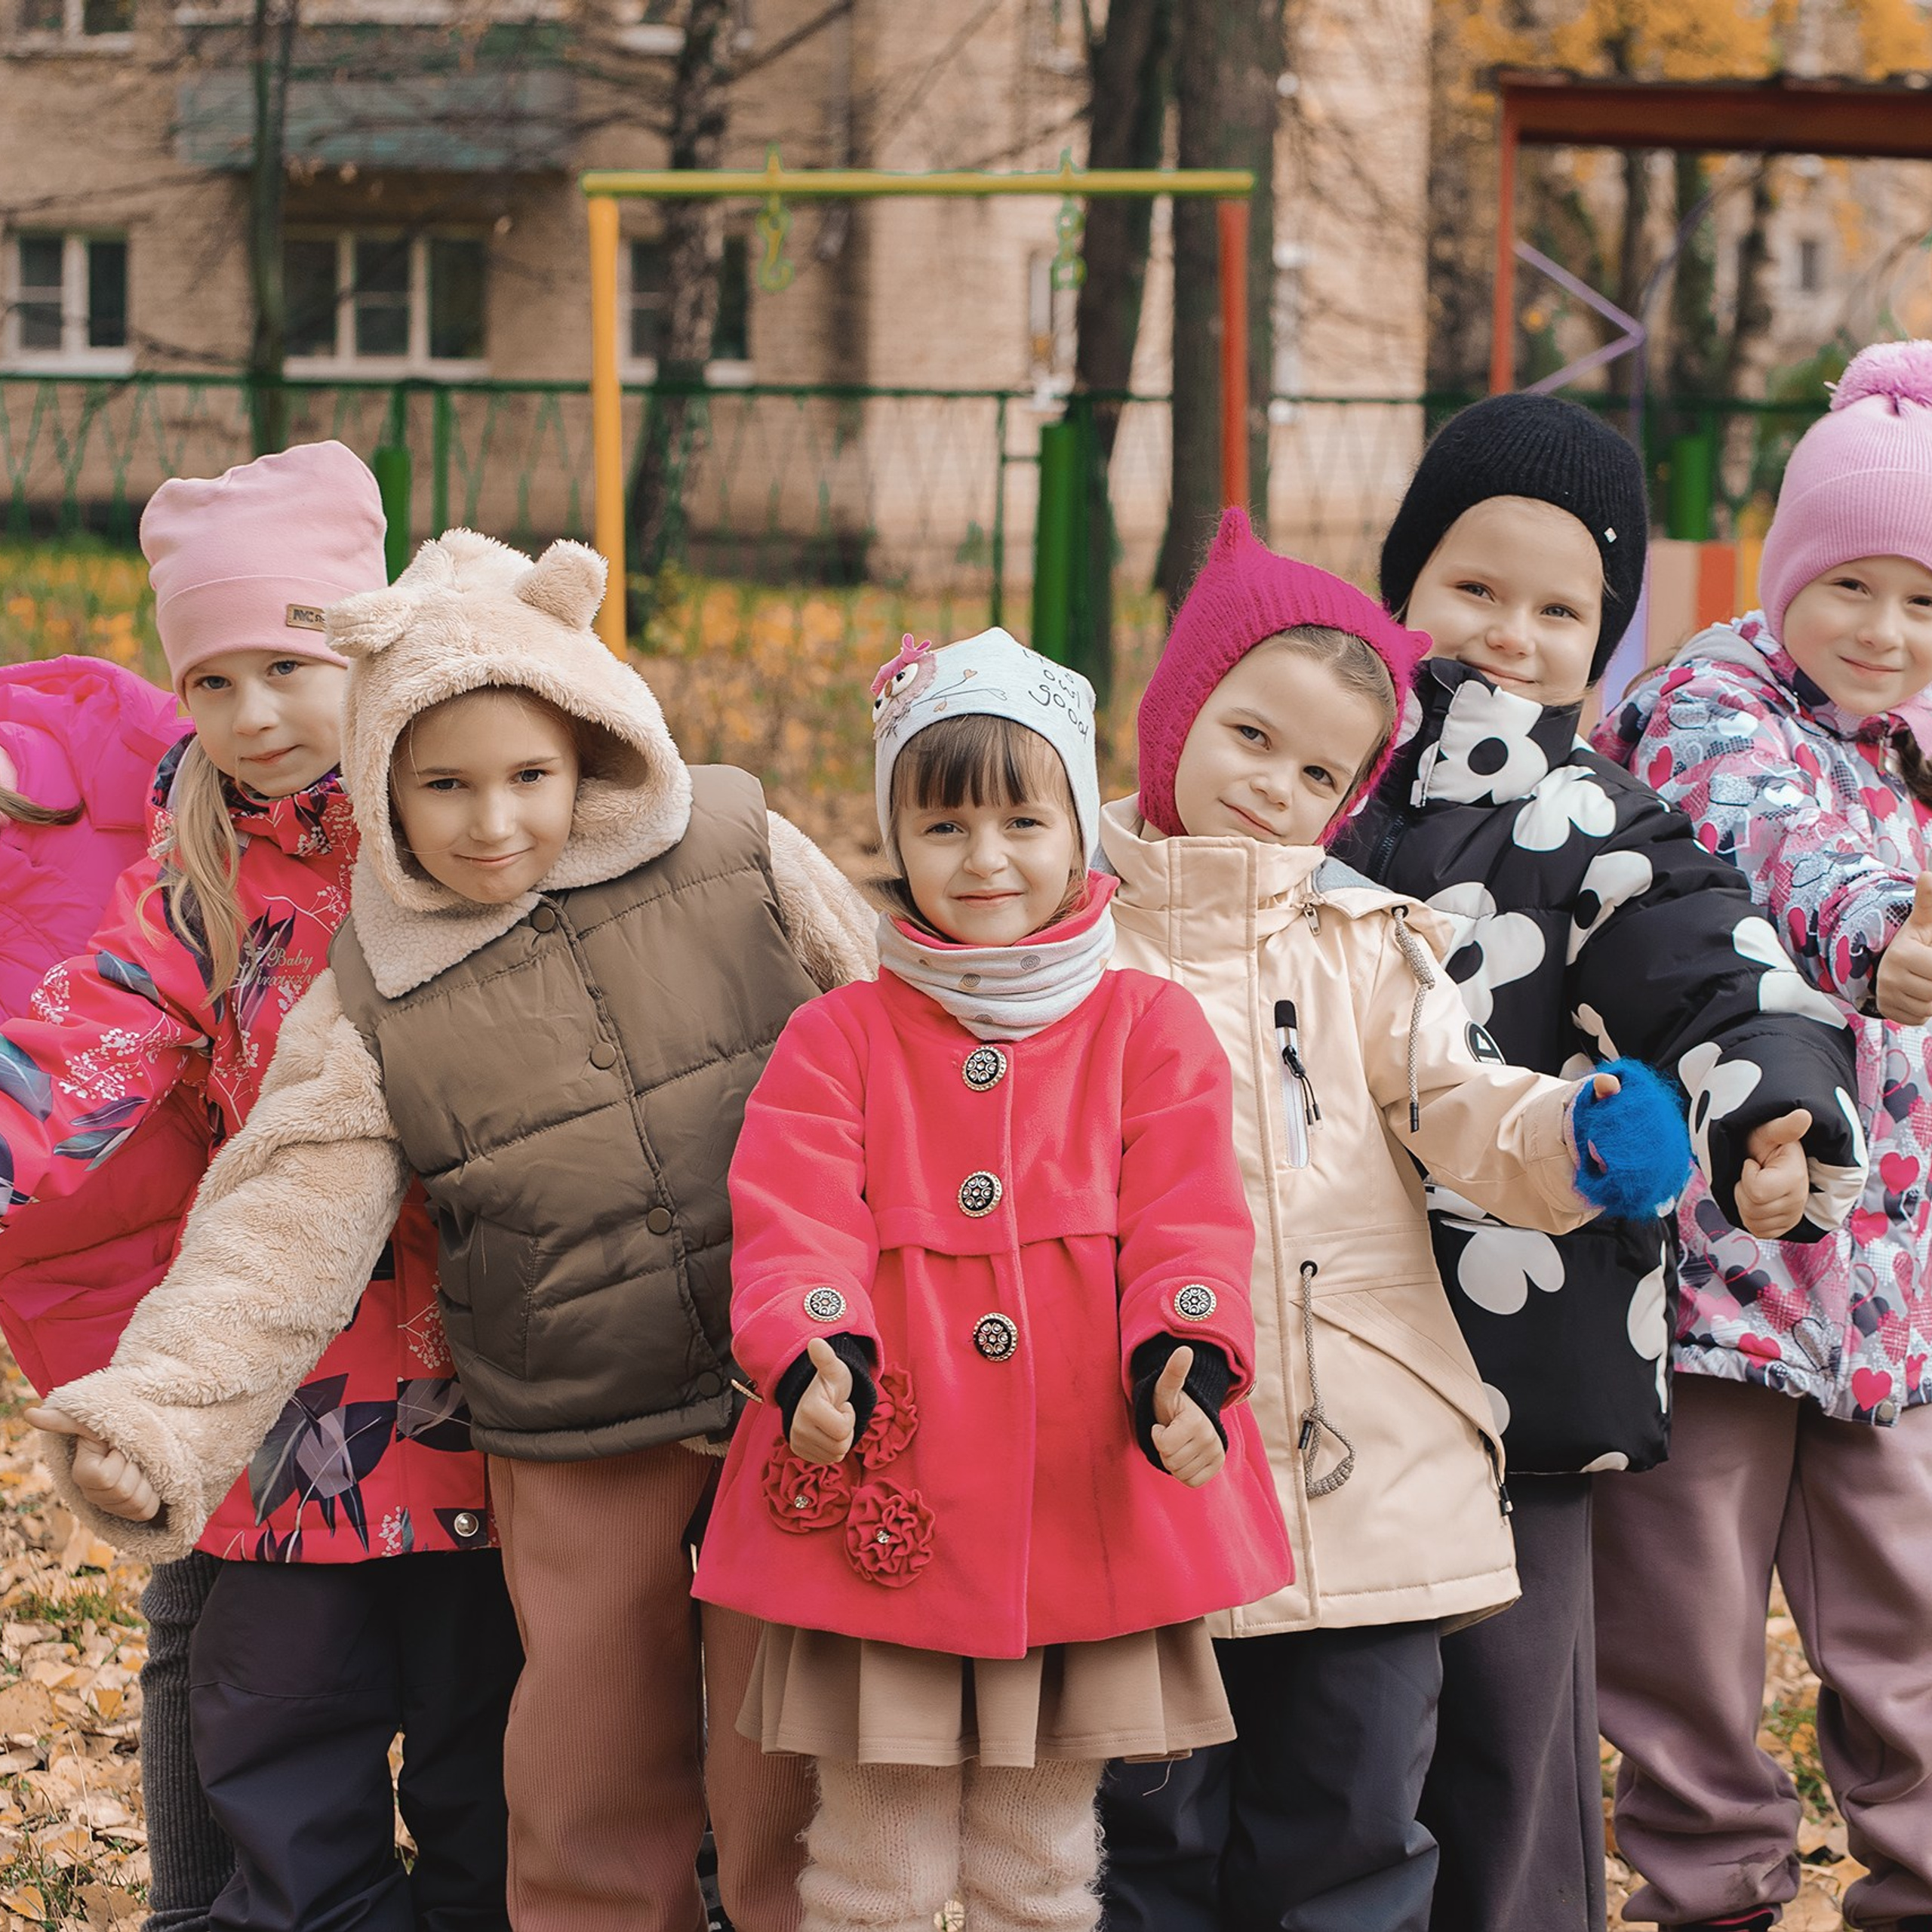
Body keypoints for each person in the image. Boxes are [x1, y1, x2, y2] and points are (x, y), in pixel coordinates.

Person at [31, 525, 878, 1932]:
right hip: (564, 1420)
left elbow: (892, 1025)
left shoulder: (733, 843)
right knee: (584, 1760)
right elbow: (279, 1217)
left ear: (593, 748)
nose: (493, 824)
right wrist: (165, 1410)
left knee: (785, 1750)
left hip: (792, 1376)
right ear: (387, 793)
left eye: (531, 778)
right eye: (444, 788)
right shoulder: (376, 985)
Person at [1096, 509, 1694, 1932]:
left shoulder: (1368, 947)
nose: (1274, 786)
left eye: (1319, 771)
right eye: (1249, 736)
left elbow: (1459, 1104)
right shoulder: (1070, 943)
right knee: (1146, 1844)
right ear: (1175, 711)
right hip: (1140, 1465)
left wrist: (1572, 1130)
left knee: (1358, 1828)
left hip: (1364, 1471)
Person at [1331, 391, 1863, 1932]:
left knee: (1510, 1738)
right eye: (1471, 587)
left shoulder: (1596, 824)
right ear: (1400, 588)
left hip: (1521, 1364)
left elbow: (1718, 969)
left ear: (1605, 636)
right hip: (1304, 1361)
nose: (1508, 631)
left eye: (1560, 606)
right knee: (1317, 1736)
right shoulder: (1314, 783)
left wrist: (1770, 1107)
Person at [691, 626, 1295, 1932]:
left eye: (1023, 820)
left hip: (1082, 1481)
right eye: (946, 825)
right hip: (885, 1472)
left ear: (1080, 828)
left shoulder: (1148, 1026)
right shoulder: (840, 1031)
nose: (985, 860)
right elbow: (794, 1214)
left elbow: (1191, 1218)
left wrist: (1182, 1362)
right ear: (896, 837)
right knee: (876, 1852)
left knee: (1039, 1855)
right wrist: (813, 1352)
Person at [2, 444, 521, 1932]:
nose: (251, 716)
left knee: (491, 1756)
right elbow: (91, 1037)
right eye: (212, 681)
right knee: (278, 1734)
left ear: (364, 646)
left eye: (286, 664)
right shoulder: (201, 869)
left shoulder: (465, 823)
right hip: (291, 1391)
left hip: (484, 1380)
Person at [1591, 338, 1932, 1932]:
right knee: (1687, 1626)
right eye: (1848, 584)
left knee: (1906, 1616)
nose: (1881, 631)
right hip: (1719, 1269)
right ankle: (1709, 1893)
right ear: (1787, 568)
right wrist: (1875, 936)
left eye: (1921, 599)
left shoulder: (1914, 744)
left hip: (1886, 1282)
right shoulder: (1699, 705)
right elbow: (1762, 844)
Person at [0, 654, 229, 1932]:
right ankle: (199, 1903)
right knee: (200, 1590)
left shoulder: (110, 741)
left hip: (282, 1207)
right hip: (99, 1283)